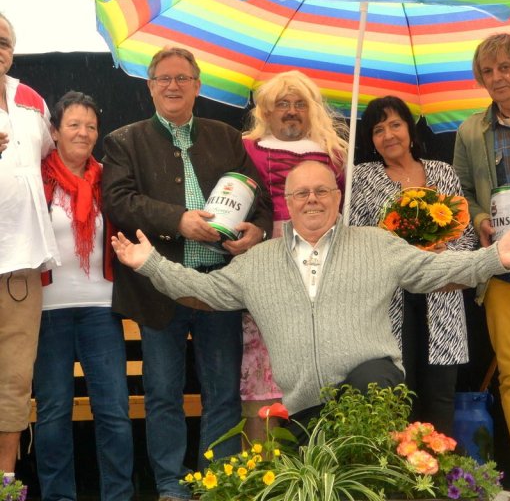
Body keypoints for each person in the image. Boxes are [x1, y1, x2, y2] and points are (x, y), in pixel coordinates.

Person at [110, 160, 510, 444]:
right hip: (306, 409)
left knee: (368, 384)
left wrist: (496, 257)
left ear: (338, 198)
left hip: (373, 395)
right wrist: (151, 264)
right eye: (301, 193)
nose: (312, 199)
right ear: (287, 202)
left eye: (322, 190)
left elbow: (436, 271)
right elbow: (205, 292)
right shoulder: (258, 262)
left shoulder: (378, 245)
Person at [101, 46, 273, 501]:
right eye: (163, 79)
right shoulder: (124, 141)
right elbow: (118, 202)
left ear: (198, 86)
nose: (173, 86)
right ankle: (171, 487)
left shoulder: (225, 138)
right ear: (150, 86)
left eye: (183, 78)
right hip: (159, 289)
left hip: (219, 286)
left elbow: (262, 201)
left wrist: (257, 230)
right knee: (162, 395)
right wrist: (178, 219)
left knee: (222, 395)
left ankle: (217, 485)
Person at [349, 95, 477, 436]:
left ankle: (440, 479)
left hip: (442, 292)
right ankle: (399, 481)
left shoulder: (441, 171)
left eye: (395, 124)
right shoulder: (361, 176)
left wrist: (440, 254)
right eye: (378, 129)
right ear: (371, 139)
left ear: (409, 128)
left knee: (440, 394)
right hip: (389, 298)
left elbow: (465, 238)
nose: (389, 135)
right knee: (395, 393)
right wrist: (396, 252)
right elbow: (355, 237)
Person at [33, 91, 134, 501]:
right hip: (47, 311)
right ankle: (58, 496)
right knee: (54, 413)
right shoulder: (34, 177)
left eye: (91, 126)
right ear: (54, 131)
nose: (84, 132)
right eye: (74, 124)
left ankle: (119, 495)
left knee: (114, 413)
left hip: (101, 309)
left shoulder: (110, 178)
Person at [240, 70, 348, 441]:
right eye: (281, 104)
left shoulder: (335, 154)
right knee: (262, 363)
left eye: (299, 104)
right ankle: (259, 472)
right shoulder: (246, 149)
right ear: (266, 112)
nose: (291, 111)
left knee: (322, 357)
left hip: (324, 262)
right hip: (267, 263)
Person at [0, 12, 60, 477]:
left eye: (2, 41)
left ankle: (5, 484)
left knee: (14, 383)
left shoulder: (32, 99)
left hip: (20, 266)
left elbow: (46, 165)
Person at [453, 32, 510, 442]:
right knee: (509, 369)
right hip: (500, 265)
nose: (498, 78)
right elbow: (461, 192)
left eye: (505, 67)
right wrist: (478, 219)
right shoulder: (471, 131)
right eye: (488, 71)